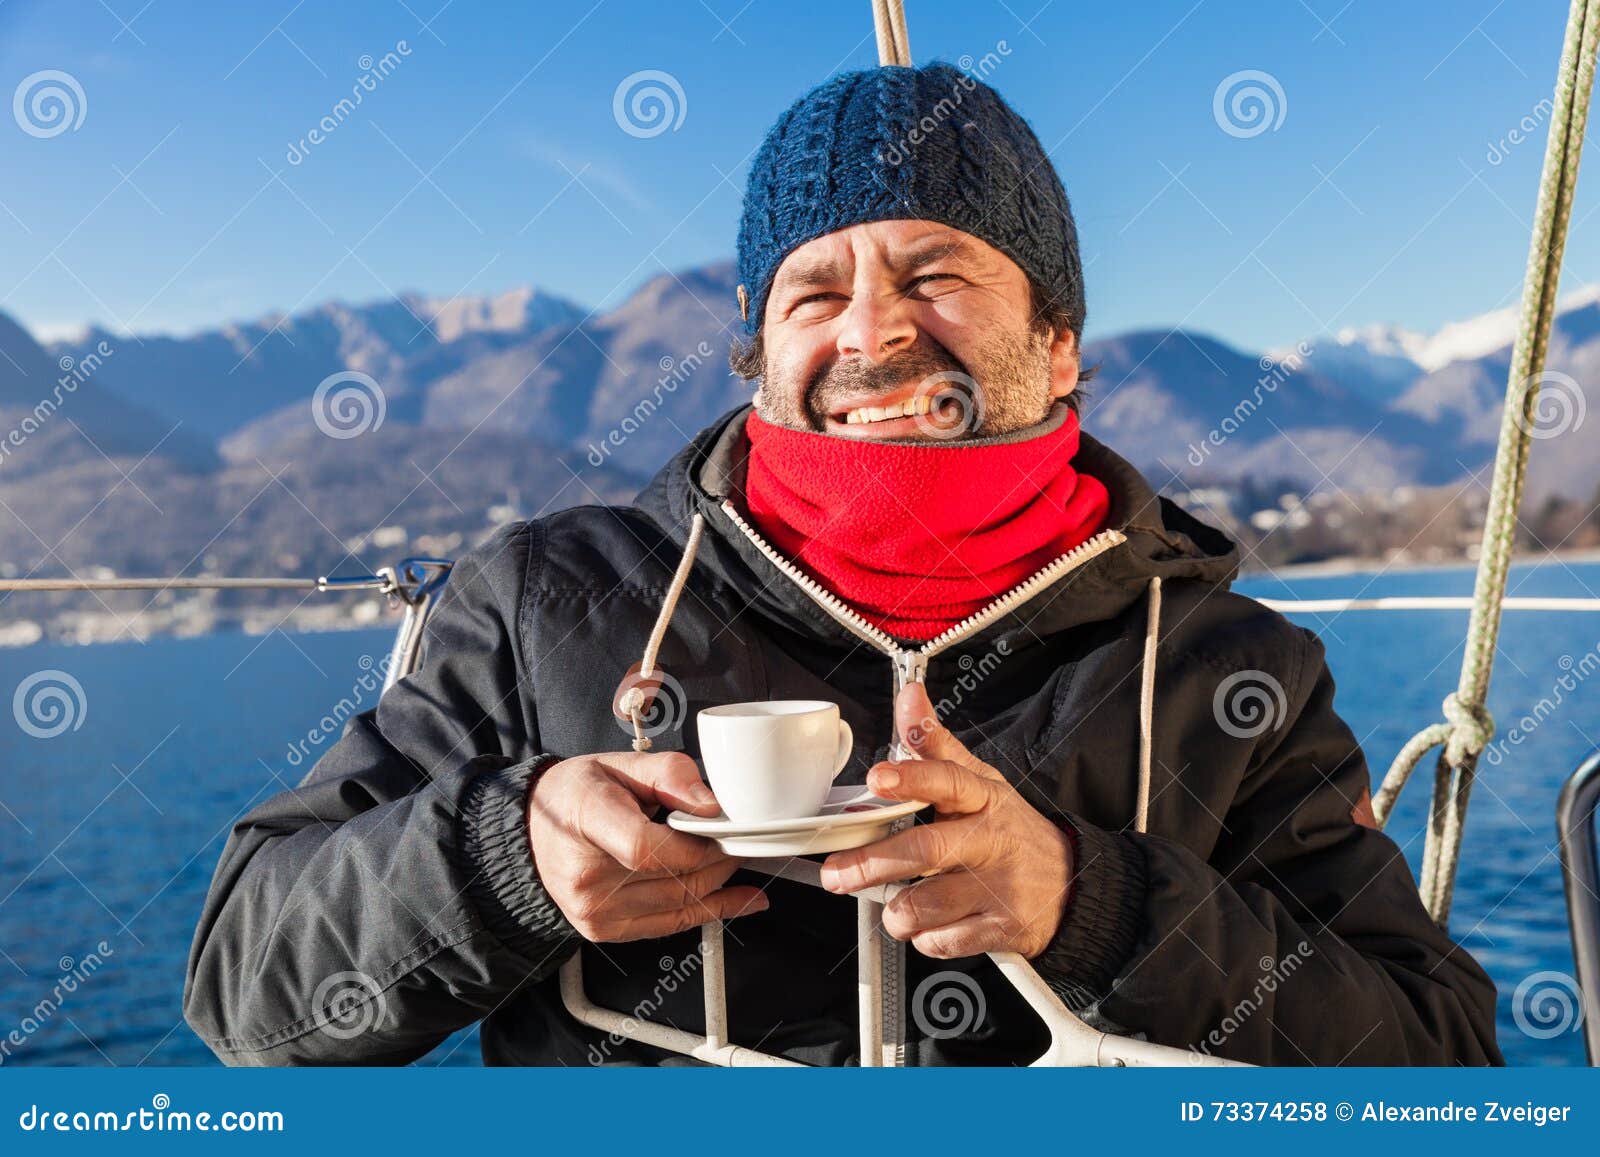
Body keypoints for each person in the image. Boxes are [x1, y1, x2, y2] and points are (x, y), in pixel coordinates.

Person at [183, 62, 1502, 1066]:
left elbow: (1434, 1058)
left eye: (936, 275)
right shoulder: (545, 604)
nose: (873, 333)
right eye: (815, 293)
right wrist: (498, 857)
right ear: (760, 348)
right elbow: (244, 985)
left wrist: (1093, 905)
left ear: (1059, 344)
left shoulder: (1227, 664)